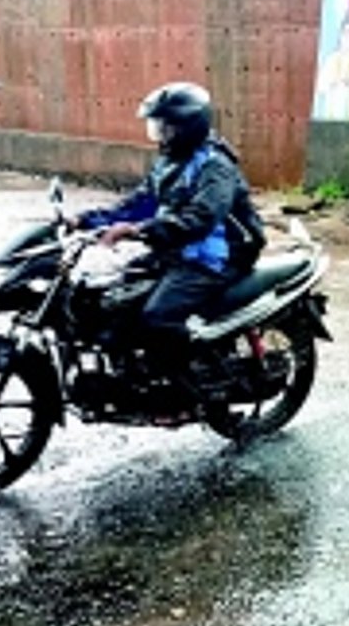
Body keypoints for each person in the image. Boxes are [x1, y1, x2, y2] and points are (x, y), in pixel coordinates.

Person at [72, 81, 267, 395]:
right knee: (115, 297)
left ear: (187, 127)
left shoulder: (215, 167)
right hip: (179, 250)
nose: (158, 135)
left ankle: (187, 388)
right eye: (157, 127)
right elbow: (139, 204)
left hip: (217, 256)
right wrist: (86, 220)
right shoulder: (170, 162)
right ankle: (137, 372)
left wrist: (140, 231)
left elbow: (201, 219)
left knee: (158, 317)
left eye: (165, 128)